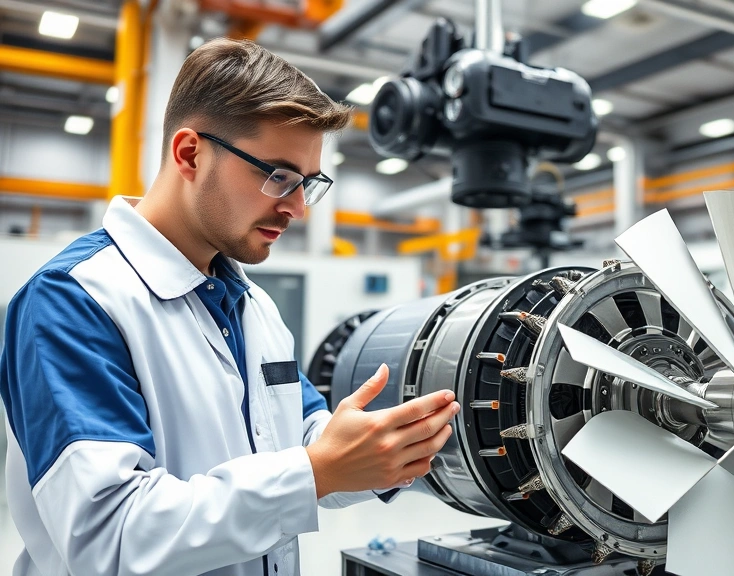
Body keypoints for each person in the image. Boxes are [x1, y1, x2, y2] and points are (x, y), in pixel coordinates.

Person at [0, 38, 459, 576]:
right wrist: (316, 472)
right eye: (279, 176)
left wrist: (388, 450)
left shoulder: (252, 306)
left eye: (307, 184)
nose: (296, 208)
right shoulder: (76, 302)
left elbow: (307, 443)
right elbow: (112, 538)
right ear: (190, 153)